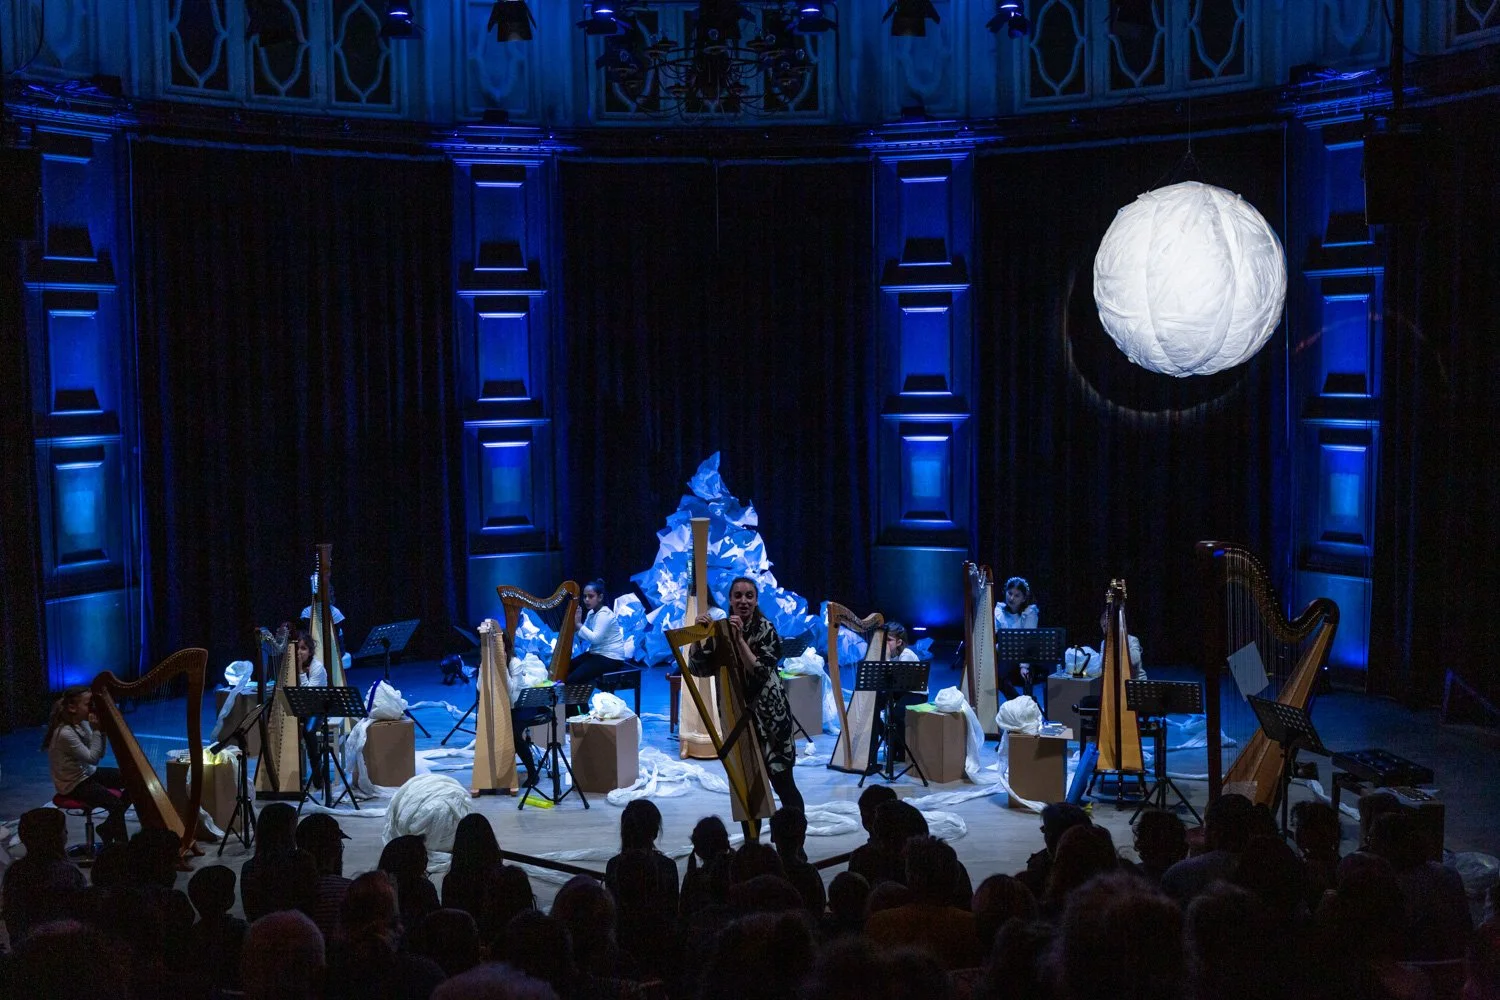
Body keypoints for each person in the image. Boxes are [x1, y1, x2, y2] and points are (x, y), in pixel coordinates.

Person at [690, 575, 804, 815]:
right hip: (740, 720)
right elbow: (699, 669)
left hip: (771, 719)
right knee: (748, 792)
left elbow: (761, 670)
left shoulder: (766, 629)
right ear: (730, 600)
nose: (743, 601)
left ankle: (793, 840)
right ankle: (754, 845)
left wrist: (739, 640)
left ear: (756, 600)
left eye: (749, 596)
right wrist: (698, 639)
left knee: (783, 784)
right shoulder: (720, 631)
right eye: (738, 596)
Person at [43, 685, 132, 844]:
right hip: (73, 784)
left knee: (134, 781)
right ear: (72, 707)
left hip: (87, 774)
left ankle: (107, 827)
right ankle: (122, 849)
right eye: (88, 704)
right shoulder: (65, 733)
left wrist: (101, 731)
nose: (92, 708)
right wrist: (98, 730)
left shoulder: (81, 724)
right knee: (116, 806)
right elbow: (93, 758)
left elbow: (98, 754)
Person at [1, 808, 86, 943]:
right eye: (63, 830)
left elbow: (12, 919)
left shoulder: (14, 872)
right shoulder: (68, 874)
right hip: (62, 948)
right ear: (55, 837)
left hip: (24, 948)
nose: (67, 833)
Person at [568, 579, 628, 688]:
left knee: (573, 680)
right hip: (597, 654)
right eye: (585, 596)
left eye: (591, 596)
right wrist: (576, 627)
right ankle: (568, 705)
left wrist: (578, 624)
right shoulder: (591, 613)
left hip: (611, 657)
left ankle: (579, 705)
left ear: (600, 597)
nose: (586, 600)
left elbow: (595, 639)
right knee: (566, 668)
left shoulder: (604, 614)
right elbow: (583, 637)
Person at [993, 577, 1040, 700]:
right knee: (996, 674)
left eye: (1017, 595)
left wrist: (1024, 666)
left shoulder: (1030, 613)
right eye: (1010, 593)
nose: (1011, 598)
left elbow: (1029, 641)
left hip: (1026, 657)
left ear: (1024, 598)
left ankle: (1019, 704)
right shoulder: (999, 611)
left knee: (1002, 674)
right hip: (1006, 657)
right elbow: (991, 634)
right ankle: (1018, 702)